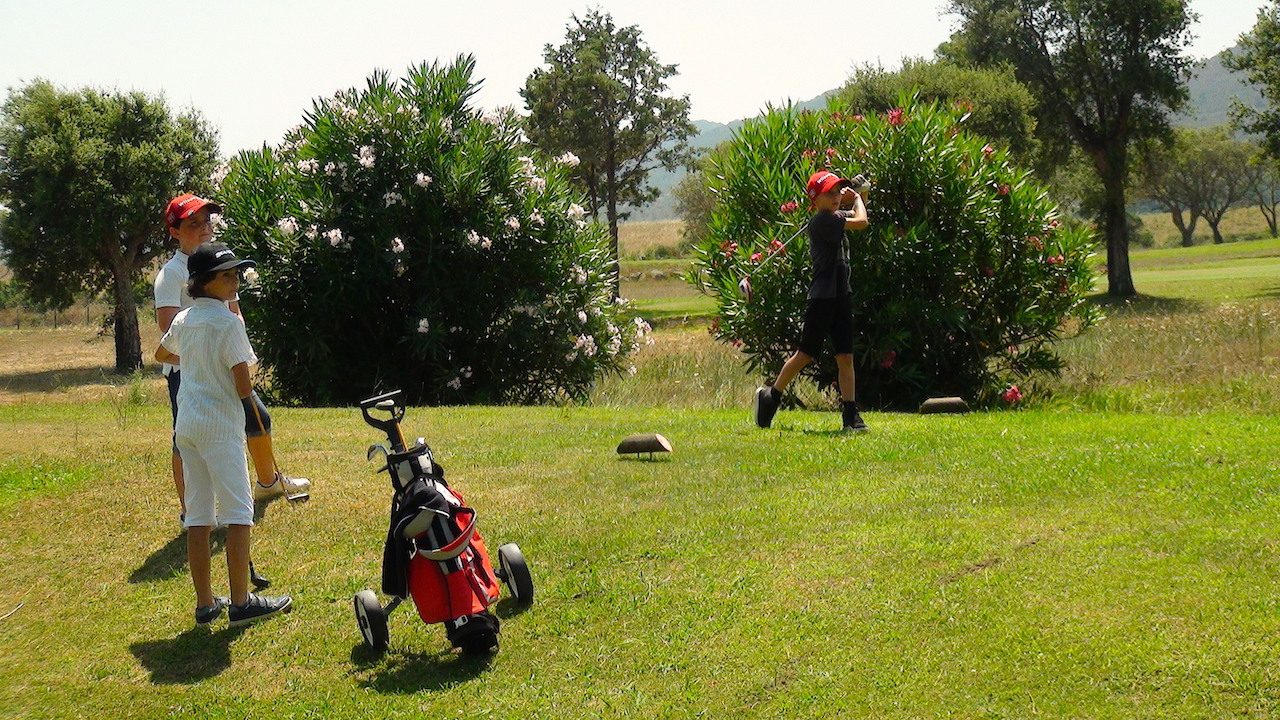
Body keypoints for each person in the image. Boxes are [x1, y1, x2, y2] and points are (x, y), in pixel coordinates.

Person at [156, 243, 293, 627]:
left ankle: (205, 605)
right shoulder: (228, 322)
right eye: (226, 275)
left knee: (198, 517)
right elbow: (243, 383)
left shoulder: (184, 319)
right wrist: (248, 401)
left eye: (236, 273)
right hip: (219, 426)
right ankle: (241, 603)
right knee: (238, 513)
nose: (235, 280)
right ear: (202, 283)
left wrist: (196, 360)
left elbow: (161, 355)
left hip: (188, 425)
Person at [155, 194, 309, 526]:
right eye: (193, 224)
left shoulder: (220, 264)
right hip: (189, 371)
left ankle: (267, 483)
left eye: (206, 221)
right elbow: (168, 330)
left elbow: (233, 313)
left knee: (258, 419)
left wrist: (235, 349)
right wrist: (207, 354)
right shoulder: (171, 274)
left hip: (227, 360)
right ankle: (192, 512)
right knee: (186, 437)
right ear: (175, 232)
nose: (203, 229)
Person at [753, 170, 870, 432]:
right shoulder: (822, 222)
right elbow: (861, 221)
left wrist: (860, 196)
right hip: (822, 298)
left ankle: (850, 416)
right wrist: (859, 198)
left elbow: (858, 216)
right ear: (816, 200)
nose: (836, 196)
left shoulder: (835, 217)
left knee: (846, 357)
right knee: (805, 355)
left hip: (842, 295)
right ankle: (771, 396)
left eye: (838, 191)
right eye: (829, 193)